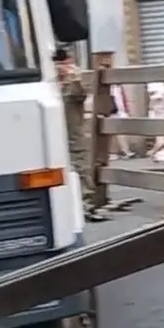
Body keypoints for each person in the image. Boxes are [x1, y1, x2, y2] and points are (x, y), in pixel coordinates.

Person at [54, 47, 98, 220]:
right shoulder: (46, 81)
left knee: (81, 167)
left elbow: (81, 95)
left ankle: (86, 206)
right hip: (53, 134)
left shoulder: (74, 78)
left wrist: (71, 77)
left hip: (73, 134)